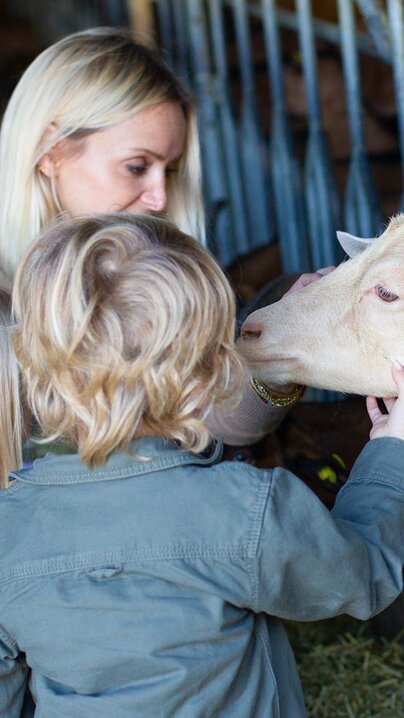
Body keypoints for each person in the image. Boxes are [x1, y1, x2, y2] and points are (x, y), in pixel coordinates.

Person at [0, 213, 404, 718]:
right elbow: (359, 575)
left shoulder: (10, 532)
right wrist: (389, 453)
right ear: (204, 375)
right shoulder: (243, 512)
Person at [0, 27, 313, 461]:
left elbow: (215, 422)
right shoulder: (6, 305)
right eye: (135, 166)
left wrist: (278, 348)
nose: (160, 198)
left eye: (168, 170)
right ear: (50, 152)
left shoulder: (153, 271)